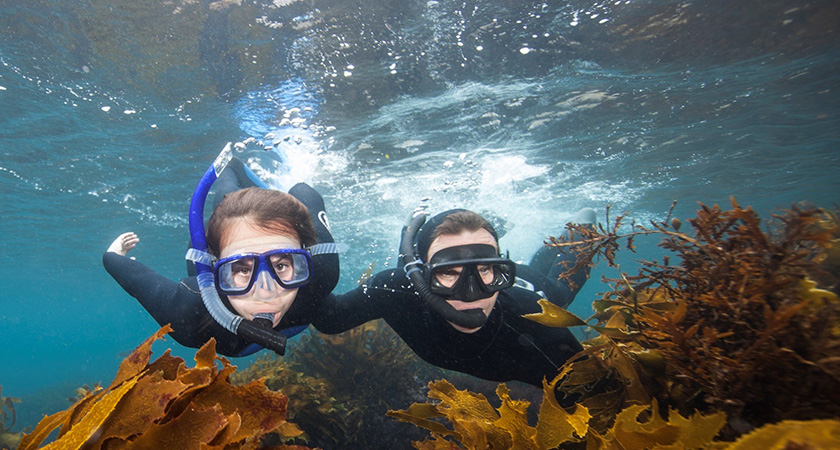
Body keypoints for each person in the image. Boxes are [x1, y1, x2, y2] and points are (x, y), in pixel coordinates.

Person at [312, 208, 595, 386]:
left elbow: (591, 395)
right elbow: (330, 318)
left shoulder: (531, 317)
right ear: (422, 276)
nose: (470, 293)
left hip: (530, 286)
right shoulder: (396, 290)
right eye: (448, 273)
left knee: (560, 293)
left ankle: (583, 226)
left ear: (499, 268)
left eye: (485, 269)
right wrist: (311, 226)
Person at [104, 149, 342, 357]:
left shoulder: (321, 267)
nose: (266, 293)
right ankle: (232, 166)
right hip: (214, 244)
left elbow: (306, 194)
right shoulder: (191, 315)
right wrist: (113, 254)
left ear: (304, 261)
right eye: (242, 268)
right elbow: (125, 270)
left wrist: (297, 190)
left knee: (300, 190)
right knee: (227, 198)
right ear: (214, 268)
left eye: (281, 266)